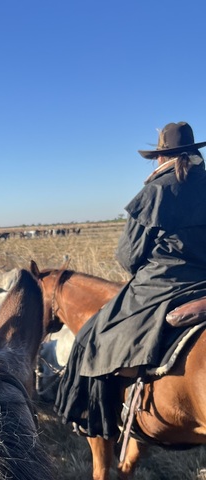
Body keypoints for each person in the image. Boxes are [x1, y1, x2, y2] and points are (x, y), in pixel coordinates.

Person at [55, 121, 206, 439]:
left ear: (161, 156)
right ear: (193, 152)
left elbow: (129, 257)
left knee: (92, 337)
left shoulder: (156, 190)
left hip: (161, 284)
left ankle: (96, 418)